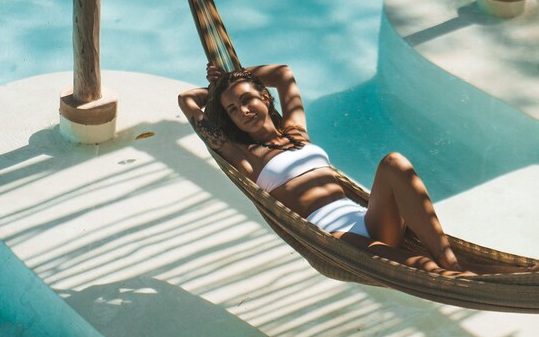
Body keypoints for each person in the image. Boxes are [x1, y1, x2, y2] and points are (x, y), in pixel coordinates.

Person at [178, 64, 529, 277]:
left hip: (370, 221)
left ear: (265, 98)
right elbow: (186, 101)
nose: (243, 110)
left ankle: (462, 261)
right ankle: (509, 277)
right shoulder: (244, 155)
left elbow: (283, 74)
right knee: (427, 271)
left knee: (395, 163)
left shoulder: (296, 134)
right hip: (333, 242)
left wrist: (234, 76)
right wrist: (216, 89)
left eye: (247, 99)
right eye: (233, 109)